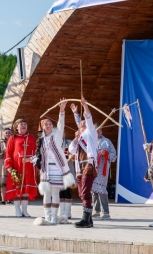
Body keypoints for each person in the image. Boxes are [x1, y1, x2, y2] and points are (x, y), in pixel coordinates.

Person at [33, 99, 75, 224]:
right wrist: (33, 159)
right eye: (47, 124)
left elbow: (61, 125)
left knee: (55, 192)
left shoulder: (56, 135)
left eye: (51, 124)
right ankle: (47, 216)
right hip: (45, 170)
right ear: (42, 127)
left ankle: (54, 218)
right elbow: (39, 155)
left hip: (56, 168)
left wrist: (61, 111)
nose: (49, 125)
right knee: (46, 193)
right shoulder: (41, 140)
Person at [69, 96, 98, 228]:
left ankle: (85, 219)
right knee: (81, 193)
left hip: (88, 164)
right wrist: (75, 113)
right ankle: (89, 219)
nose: (82, 125)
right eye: (80, 125)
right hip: (79, 167)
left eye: (83, 124)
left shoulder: (91, 133)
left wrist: (85, 106)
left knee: (85, 192)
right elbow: (71, 150)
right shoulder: (79, 137)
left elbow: (88, 119)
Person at [5, 118, 38, 217]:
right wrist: (9, 166)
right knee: (17, 188)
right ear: (16, 127)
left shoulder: (31, 137)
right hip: (17, 166)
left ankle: (24, 210)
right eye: (21, 124)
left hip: (29, 167)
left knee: (26, 189)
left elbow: (36, 152)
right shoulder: (13, 138)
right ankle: (17, 210)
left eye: (25, 124)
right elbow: (8, 153)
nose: (23, 126)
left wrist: (36, 164)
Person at [91, 123, 117, 220]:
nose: (96, 132)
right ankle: (96, 210)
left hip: (102, 170)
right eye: (94, 131)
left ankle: (105, 212)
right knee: (93, 189)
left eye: (98, 131)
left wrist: (106, 153)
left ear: (101, 131)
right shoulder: (89, 141)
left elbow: (114, 155)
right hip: (91, 168)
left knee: (101, 190)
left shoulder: (106, 142)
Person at [59, 132, 76, 219]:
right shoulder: (56, 143)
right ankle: (62, 211)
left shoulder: (69, 143)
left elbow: (74, 152)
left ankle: (68, 212)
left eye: (62, 131)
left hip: (68, 170)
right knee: (60, 190)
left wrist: (71, 156)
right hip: (58, 171)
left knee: (67, 190)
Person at [0, 128, 13, 205]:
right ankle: (3, 199)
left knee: (11, 181)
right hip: (3, 162)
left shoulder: (14, 141)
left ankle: (10, 198)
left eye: (9, 132)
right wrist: (1, 149)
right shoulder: (0, 142)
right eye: (6, 133)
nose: (7, 134)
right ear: (3, 134)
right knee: (3, 182)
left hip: (12, 162)